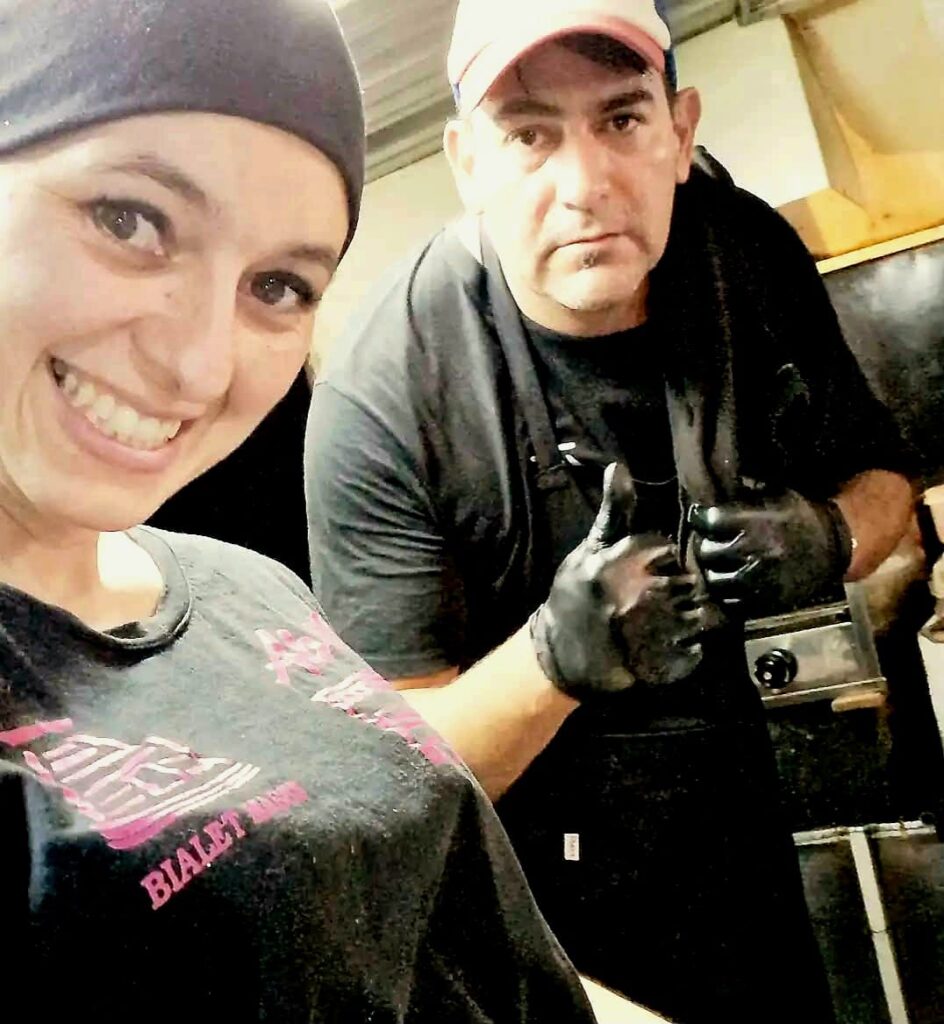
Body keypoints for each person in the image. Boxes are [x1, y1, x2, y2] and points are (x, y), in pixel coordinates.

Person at [0, 1, 628, 1020]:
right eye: (129, 219)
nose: (199, 363)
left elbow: (438, 951)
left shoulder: (248, 589)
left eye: (279, 285)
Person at [305, 1, 916, 1021]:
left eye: (622, 119)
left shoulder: (746, 259)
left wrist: (830, 536)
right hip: (539, 904)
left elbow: (885, 480)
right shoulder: (386, 399)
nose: (584, 184)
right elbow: (396, 778)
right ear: (467, 164)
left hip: (738, 825)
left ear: (679, 131)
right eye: (528, 135)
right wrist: (551, 658)